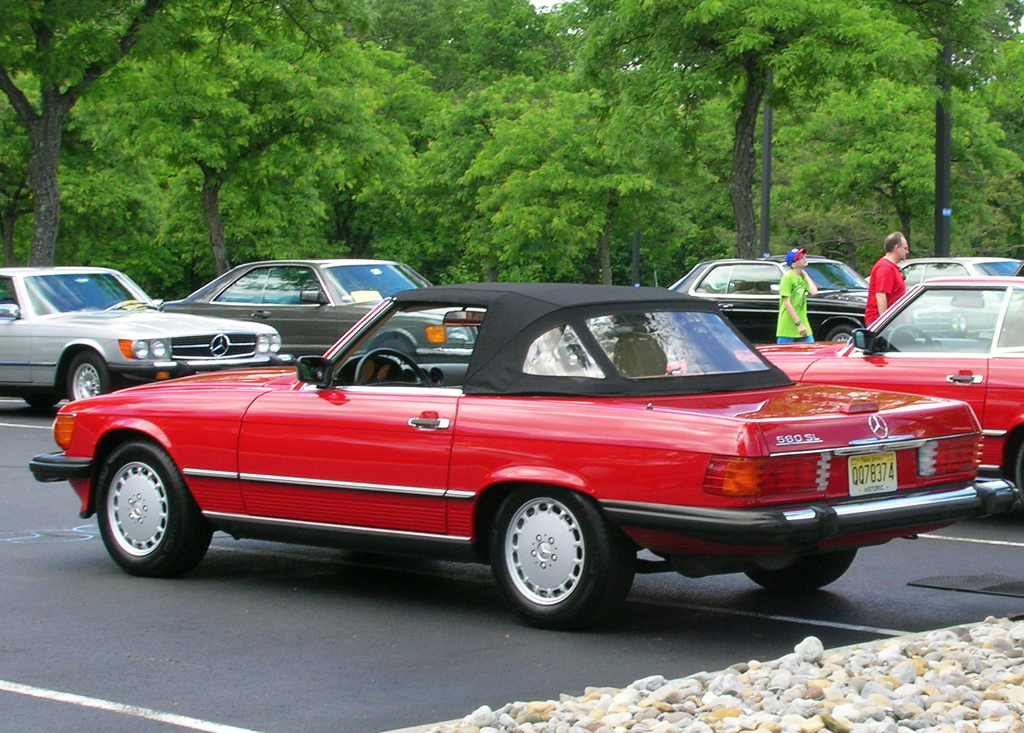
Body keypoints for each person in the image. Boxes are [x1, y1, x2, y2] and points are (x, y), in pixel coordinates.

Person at [865, 232, 909, 325]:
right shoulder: (885, 267)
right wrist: (884, 324)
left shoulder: (891, 267)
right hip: (881, 322)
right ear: (897, 248)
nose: (907, 252)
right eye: (905, 248)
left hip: (893, 321)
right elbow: (881, 295)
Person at [776, 248, 818, 343]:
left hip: (804, 323)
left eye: (804, 256)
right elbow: (787, 303)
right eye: (801, 257)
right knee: (784, 355)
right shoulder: (787, 277)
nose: (804, 258)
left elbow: (814, 292)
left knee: (810, 352)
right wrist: (798, 324)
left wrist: (806, 275)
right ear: (793, 264)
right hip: (788, 326)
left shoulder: (802, 277)